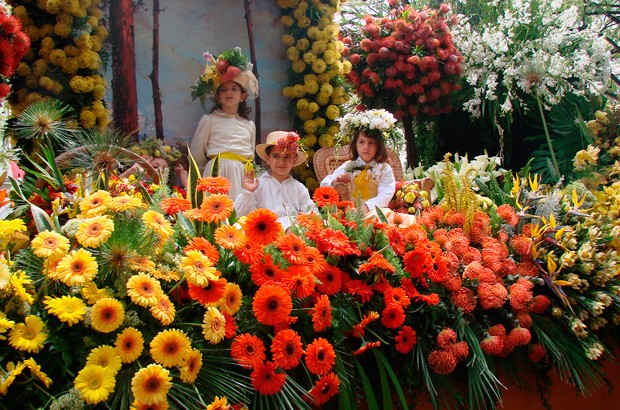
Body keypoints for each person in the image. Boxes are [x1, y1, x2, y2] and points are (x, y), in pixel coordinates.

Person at [189, 48, 259, 201]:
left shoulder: (249, 125)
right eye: (224, 90)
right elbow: (197, 154)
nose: (229, 93)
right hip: (218, 172)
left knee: (241, 215)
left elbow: (250, 153)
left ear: (243, 96)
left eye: (234, 89)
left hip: (242, 173)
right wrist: (206, 174)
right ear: (218, 97)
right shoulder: (209, 120)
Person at [234, 131, 317, 232]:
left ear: (294, 160)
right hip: (264, 233)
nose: (281, 162)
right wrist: (248, 192)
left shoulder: (299, 188)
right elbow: (239, 215)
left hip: (292, 235)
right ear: (267, 159)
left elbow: (311, 214)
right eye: (276, 156)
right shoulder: (258, 184)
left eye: (287, 157)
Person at [320, 109, 397, 215]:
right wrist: (335, 181)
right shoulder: (350, 166)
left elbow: (386, 194)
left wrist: (366, 207)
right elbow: (323, 185)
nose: (366, 147)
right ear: (355, 145)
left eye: (371, 143)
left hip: (377, 213)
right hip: (353, 214)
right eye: (362, 142)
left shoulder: (384, 169)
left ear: (378, 146)